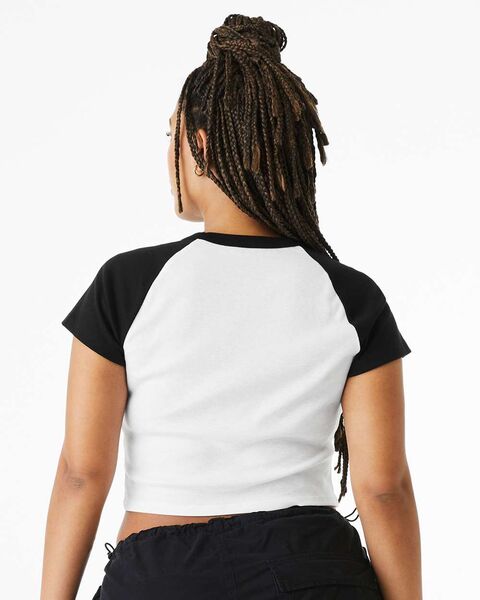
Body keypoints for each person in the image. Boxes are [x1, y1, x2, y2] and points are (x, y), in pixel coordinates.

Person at [41, 14, 422, 600]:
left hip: (164, 577)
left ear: (199, 144)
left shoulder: (129, 283)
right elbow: (383, 488)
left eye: (171, 136)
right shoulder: (349, 295)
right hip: (312, 569)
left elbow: (80, 473)